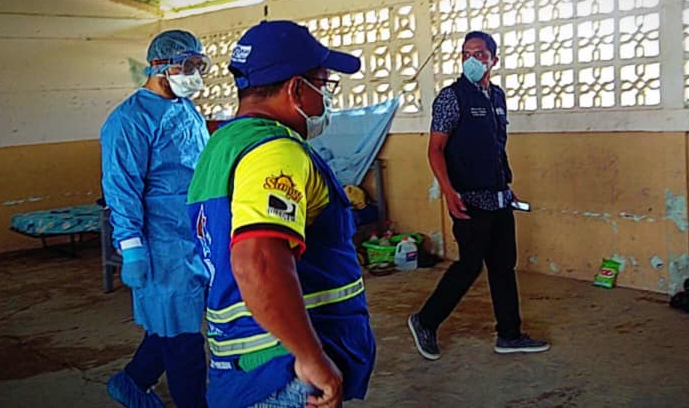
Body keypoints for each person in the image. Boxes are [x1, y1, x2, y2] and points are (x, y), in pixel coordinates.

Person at [187, 20, 375, 408]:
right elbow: (258, 260)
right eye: (323, 84)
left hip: (240, 366)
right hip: (282, 372)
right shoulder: (276, 150)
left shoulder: (222, 145)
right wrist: (311, 357)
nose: (326, 97)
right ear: (296, 89)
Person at [408, 31, 550, 361]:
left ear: (493, 60)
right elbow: (435, 150)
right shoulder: (451, 98)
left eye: (480, 54)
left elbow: (496, 147)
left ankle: (509, 335)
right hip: (469, 199)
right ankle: (425, 321)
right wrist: (448, 191)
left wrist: (505, 187)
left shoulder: (497, 96)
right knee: (470, 265)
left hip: (499, 198)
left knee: (503, 266)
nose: (472, 60)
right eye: (466, 54)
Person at [101, 30, 212, 408]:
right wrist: (131, 246)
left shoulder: (186, 109)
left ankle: (131, 382)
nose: (194, 74)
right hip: (161, 243)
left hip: (194, 234)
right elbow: (121, 187)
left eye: (199, 65)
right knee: (184, 338)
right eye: (186, 65)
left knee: (173, 322)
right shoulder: (129, 120)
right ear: (159, 66)